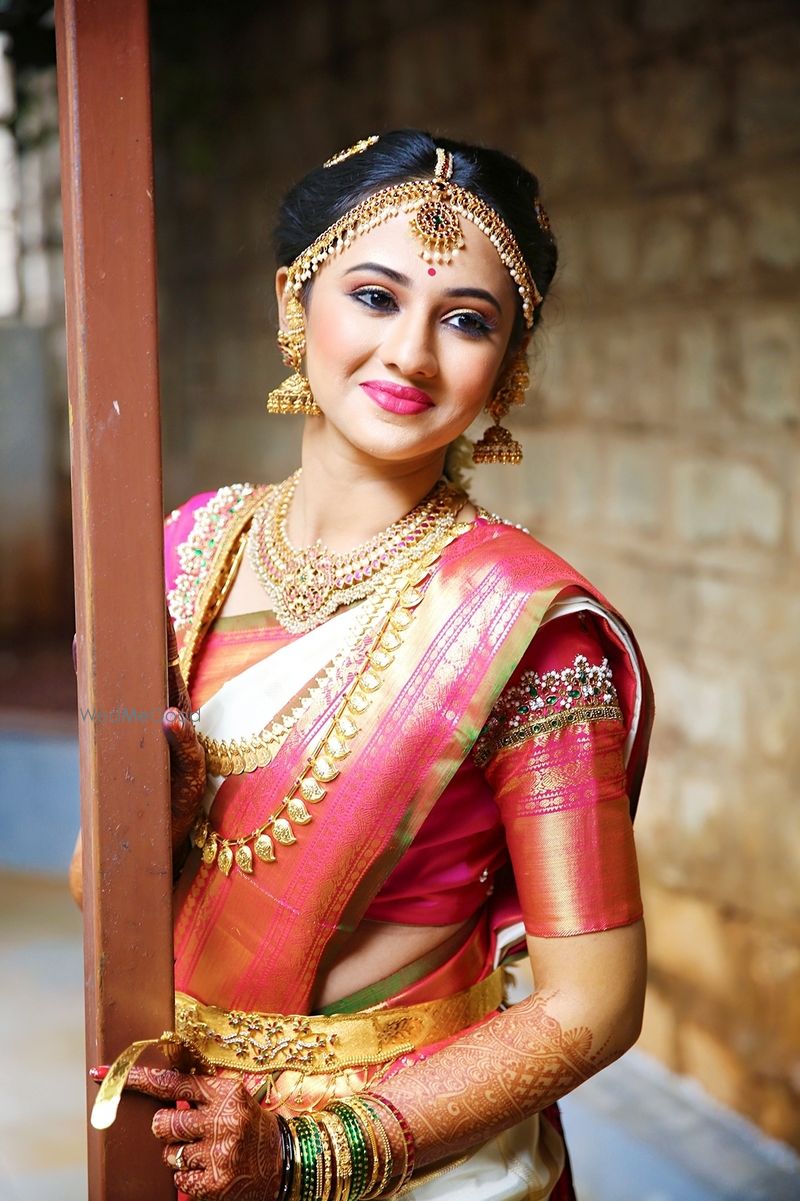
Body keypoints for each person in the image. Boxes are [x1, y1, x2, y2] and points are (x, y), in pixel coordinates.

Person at [75, 129, 653, 1201]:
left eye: (467, 320)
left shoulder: (524, 628)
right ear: (291, 306)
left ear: (508, 365)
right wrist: (142, 833)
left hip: (416, 1159)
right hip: (182, 1132)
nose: (410, 354)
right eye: (375, 297)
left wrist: (304, 1153)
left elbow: (594, 1002)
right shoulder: (185, 553)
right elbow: (88, 886)